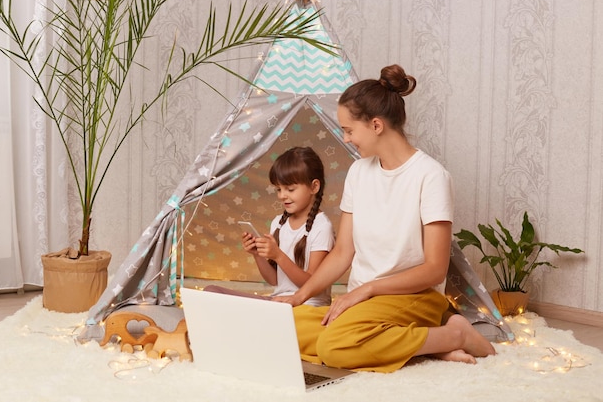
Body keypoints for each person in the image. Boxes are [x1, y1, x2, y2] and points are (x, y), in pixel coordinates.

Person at [274, 64, 496, 372]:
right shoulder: (358, 172)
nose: (346, 139)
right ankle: (428, 346)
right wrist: (299, 297)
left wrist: (368, 289)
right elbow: (343, 253)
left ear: (376, 125)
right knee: (281, 326)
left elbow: (434, 269)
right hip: (364, 302)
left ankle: (454, 333)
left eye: (349, 130)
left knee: (334, 346)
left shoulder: (430, 176)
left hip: (413, 297)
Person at [204, 146, 334, 306]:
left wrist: (278, 255)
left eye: (290, 189)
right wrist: (258, 254)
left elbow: (312, 284)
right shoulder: (279, 222)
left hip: (307, 304)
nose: (282, 196)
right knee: (211, 292)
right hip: (278, 301)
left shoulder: (322, 226)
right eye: (279, 189)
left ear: (314, 187)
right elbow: (274, 280)